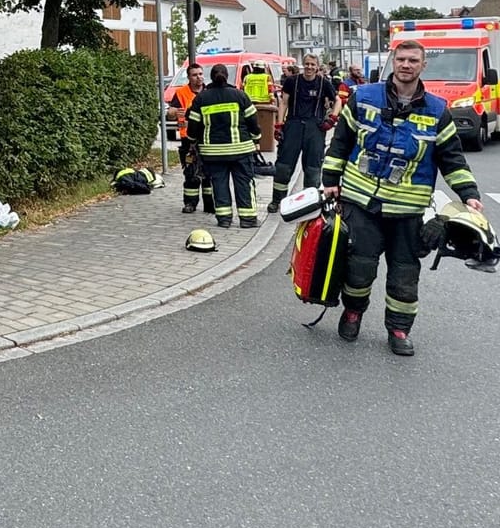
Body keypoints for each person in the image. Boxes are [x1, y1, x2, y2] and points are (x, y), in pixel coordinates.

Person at [321, 40, 484, 356]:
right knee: (359, 268)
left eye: (413, 60)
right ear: (391, 62)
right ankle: (353, 312)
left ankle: (398, 329)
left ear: (423, 66)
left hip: (408, 210)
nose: (406, 65)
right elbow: (340, 142)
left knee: (405, 274)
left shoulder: (438, 111)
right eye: (401, 59)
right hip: (362, 201)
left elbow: (452, 159)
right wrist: (329, 179)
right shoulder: (363, 98)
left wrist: (469, 194)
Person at [186, 63, 262, 229]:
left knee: (219, 184)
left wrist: (193, 140)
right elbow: (253, 122)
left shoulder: (201, 98)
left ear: (210, 77)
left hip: (213, 152)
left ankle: (224, 219)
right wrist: (256, 138)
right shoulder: (240, 95)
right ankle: (248, 219)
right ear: (226, 76)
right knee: (244, 183)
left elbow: (192, 126)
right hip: (241, 150)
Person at [267, 54, 337, 214]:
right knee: (283, 166)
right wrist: (278, 124)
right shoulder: (292, 81)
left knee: (313, 168)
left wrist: (332, 118)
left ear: (317, 66)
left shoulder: (323, 83)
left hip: (315, 128)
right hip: (293, 126)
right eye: (307, 64)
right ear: (302, 65)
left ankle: (308, 203)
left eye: (313, 64)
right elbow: (284, 102)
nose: (309, 67)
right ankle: (276, 201)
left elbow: (338, 100)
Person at [168, 63, 214, 213]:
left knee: (209, 174)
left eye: (200, 74)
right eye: (195, 75)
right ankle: (190, 203)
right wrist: (175, 111)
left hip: (207, 138)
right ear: (188, 77)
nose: (199, 77)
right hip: (187, 138)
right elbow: (170, 113)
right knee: (191, 173)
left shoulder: (209, 91)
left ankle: (210, 204)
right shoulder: (181, 93)